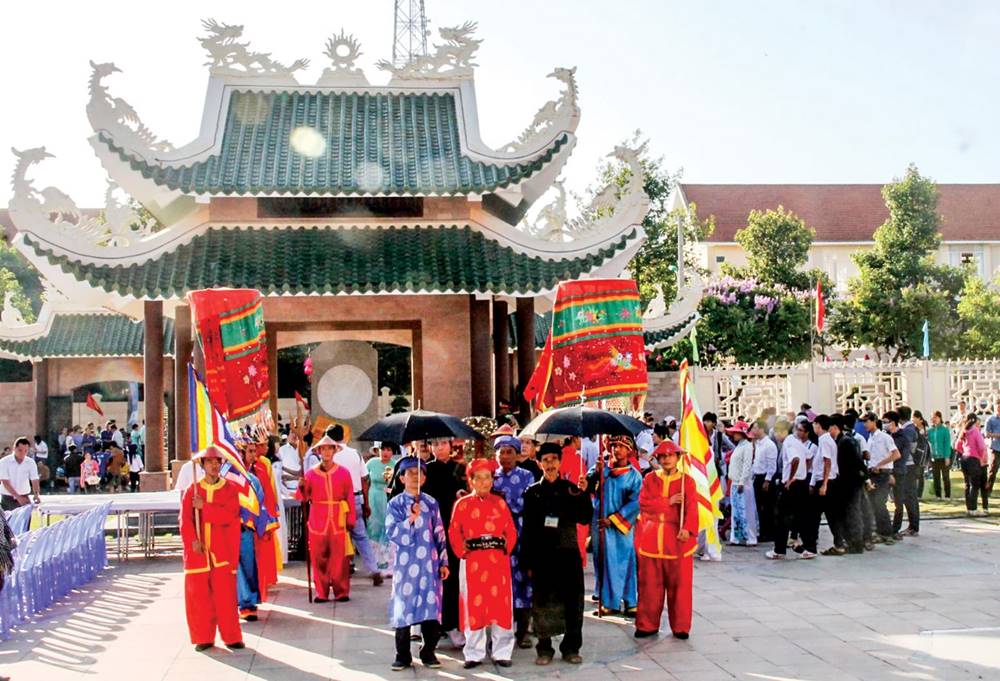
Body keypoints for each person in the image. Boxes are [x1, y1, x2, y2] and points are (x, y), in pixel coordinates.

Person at [521, 442, 590, 666]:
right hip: (543, 557)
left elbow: (584, 517)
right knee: (542, 603)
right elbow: (528, 530)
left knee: (573, 603)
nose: (550, 464)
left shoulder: (572, 489)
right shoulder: (532, 493)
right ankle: (544, 648)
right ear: (539, 463)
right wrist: (528, 561)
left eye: (553, 459)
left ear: (560, 462)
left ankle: (571, 648)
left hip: (568, 553)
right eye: (546, 460)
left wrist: (583, 493)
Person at [449, 458, 518, 669]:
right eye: (478, 478)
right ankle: (473, 652)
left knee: (501, 607)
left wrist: (506, 545)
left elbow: (511, 531)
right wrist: (463, 550)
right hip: (473, 563)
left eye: (487, 477)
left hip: (498, 562)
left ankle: (502, 651)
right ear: (470, 481)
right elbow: (454, 531)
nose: (483, 482)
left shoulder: (500, 503)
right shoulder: (461, 505)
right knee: (473, 607)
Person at [386, 457, 448, 671]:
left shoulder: (431, 503)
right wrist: (410, 519)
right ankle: (402, 654)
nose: (415, 476)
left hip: (429, 565)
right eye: (410, 472)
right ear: (401, 478)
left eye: (419, 472)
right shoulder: (395, 504)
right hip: (406, 565)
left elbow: (439, 532)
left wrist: (443, 562)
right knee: (404, 607)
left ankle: (428, 650)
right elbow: (392, 533)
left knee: (431, 607)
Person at [179, 446, 244, 652]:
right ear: (203, 465)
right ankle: (203, 637)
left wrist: (204, 507)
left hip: (221, 550)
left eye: (217, 462)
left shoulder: (230, 489)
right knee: (199, 597)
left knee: (225, 596)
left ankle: (232, 636)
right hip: (199, 552)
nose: (214, 465)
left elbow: (230, 516)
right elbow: (185, 521)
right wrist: (192, 541)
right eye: (210, 462)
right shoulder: (192, 490)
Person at [634, 441, 698, 639]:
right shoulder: (650, 479)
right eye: (662, 456)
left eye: (670, 455)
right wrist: (667, 502)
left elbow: (691, 508)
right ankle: (647, 625)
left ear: (678, 457)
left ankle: (680, 627)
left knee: (680, 587)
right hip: (651, 539)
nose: (666, 459)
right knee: (649, 587)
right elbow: (644, 504)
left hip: (677, 540)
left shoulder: (687, 481)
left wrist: (687, 528)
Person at [296, 435, 357, 602]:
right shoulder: (310, 474)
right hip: (317, 519)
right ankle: (321, 592)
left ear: (334, 451)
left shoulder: (344, 473)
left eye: (330, 448)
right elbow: (303, 497)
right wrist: (301, 486)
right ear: (319, 451)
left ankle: (341, 591)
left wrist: (351, 518)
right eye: (323, 448)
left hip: (338, 519)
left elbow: (350, 497)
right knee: (318, 557)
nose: (327, 452)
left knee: (340, 558)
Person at [587, 435, 642, 616]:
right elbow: (587, 486)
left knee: (627, 561)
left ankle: (630, 601)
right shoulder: (602, 469)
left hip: (621, 527)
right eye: (613, 446)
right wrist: (596, 473)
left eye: (620, 446)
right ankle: (609, 602)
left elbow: (636, 502)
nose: (616, 450)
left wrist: (615, 519)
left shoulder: (634, 476)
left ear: (629, 450)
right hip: (600, 523)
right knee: (603, 562)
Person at [490, 434, 536, 650]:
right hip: (498, 537)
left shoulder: (527, 476)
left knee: (524, 582)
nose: (505, 456)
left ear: (517, 455)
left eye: (510, 452)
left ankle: (523, 631)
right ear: (496, 455)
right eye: (502, 452)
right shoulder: (491, 478)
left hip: (522, 533)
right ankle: (500, 630)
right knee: (500, 583)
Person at [422, 437, 467, 649]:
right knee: (431, 579)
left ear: (451, 446)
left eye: (443, 444)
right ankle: (432, 625)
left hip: (454, 529)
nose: (439, 448)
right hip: (430, 530)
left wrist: (462, 494)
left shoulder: (460, 468)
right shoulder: (424, 470)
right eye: (435, 444)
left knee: (453, 578)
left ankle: (453, 623)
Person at [328, 425, 383, 587]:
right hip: (356, 499)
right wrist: (366, 502)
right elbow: (365, 480)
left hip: (336, 502)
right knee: (361, 536)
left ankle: (337, 573)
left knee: (336, 538)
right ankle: (373, 569)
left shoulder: (329, 455)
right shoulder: (355, 454)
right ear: (343, 436)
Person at [862, 413, 900, 544]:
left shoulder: (884, 437)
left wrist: (880, 465)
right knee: (873, 503)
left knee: (880, 503)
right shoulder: (870, 438)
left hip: (882, 473)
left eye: (867, 421)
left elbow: (896, 454)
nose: (865, 424)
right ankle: (879, 531)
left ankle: (888, 533)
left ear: (874, 421)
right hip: (872, 473)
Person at [834, 414, 867, 554]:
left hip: (850, 482)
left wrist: (864, 476)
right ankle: (853, 541)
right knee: (850, 512)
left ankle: (857, 543)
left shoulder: (845, 442)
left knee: (853, 512)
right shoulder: (845, 440)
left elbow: (857, 461)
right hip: (849, 481)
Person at [366, 442, 398, 576]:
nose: (385, 452)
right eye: (383, 449)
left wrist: (387, 490)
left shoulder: (395, 465)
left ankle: (388, 564)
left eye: (388, 449)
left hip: (387, 498)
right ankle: (374, 565)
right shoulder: (371, 463)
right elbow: (364, 481)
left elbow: (398, 485)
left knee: (387, 528)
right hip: (373, 497)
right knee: (373, 528)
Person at [724, 421, 756, 546]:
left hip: (742, 483)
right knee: (736, 512)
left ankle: (750, 537)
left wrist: (743, 481)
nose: (734, 435)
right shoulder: (739, 446)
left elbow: (747, 465)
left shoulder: (747, 446)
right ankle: (736, 537)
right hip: (735, 482)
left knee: (746, 511)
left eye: (736, 433)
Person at [750, 420, 778, 543]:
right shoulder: (758, 444)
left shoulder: (769, 445)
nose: (753, 431)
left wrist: (767, 480)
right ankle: (763, 531)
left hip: (766, 478)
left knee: (767, 507)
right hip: (757, 477)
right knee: (760, 506)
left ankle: (769, 533)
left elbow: (772, 465)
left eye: (755, 428)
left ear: (761, 429)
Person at [956, 413, 989, 516]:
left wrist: (965, 451)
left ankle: (969, 508)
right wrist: (981, 457)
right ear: (975, 421)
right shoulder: (975, 431)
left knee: (967, 484)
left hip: (964, 459)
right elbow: (982, 447)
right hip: (973, 459)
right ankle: (974, 509)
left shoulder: (964, 430)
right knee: (975, 485)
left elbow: (957, 446)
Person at [0, 438, 40, 511]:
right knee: (8, 521)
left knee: (24, 522)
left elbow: (35, 480)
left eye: (26, 451)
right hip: (8, 498)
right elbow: (5, 482)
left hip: (24, 497)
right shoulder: (4, 462)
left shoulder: (30, 463)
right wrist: (18, 497)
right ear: (14, 448)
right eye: (20, 450)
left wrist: (36, 494)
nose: (23, 453)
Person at [928, 411, 952, 499]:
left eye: (935, 417)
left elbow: (947, 444)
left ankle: (947, 495)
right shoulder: (930, 431)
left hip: (943, 457)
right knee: (936, 477)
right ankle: (938, 495)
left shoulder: (945, 430)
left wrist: (947, 457)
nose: (934, 419)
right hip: (934, 457)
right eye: (932, 418)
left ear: (940, 418)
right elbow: (928, 443)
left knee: (946, 477)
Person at [984, 402, 1000, 494]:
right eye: (998, 407)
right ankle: (987, 491)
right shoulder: (990, 419)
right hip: (995, 448)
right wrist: (997, 435)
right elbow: (986, 434)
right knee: (993, 470)